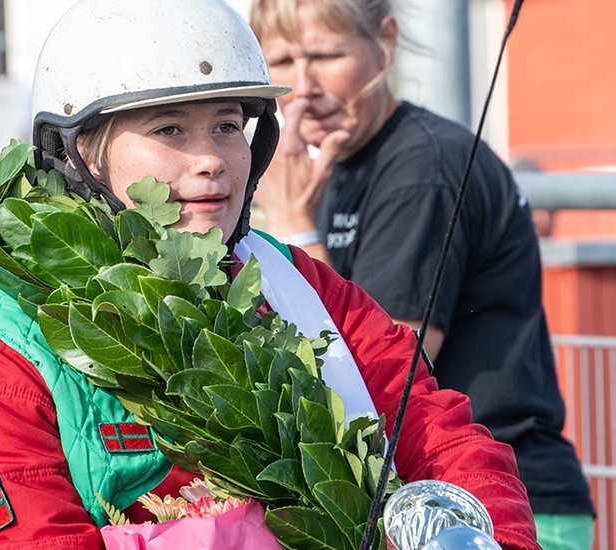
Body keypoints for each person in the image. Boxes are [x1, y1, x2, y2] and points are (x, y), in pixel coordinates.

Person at [0, 0, 539, 548]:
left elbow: (437, 434)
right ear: (80, 155)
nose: (211, 161)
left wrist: (485, 537)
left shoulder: (301, 284)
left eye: (226, 125)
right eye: (169, 129)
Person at [247, 0, 596, 548]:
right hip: (437, 499)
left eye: (326, 55)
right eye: (285, 62)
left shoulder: (421, 169)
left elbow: (386, 368)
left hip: (500, 504)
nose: (305, 87)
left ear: (385, 40)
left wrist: (294, 222)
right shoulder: (343, 162)